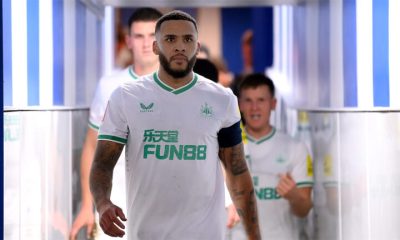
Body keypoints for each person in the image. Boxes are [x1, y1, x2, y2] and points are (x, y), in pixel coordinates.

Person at [89, 10, 261, 239]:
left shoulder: (222, 99)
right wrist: (102, 204)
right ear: (156, 47)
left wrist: (254, 236)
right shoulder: (126, 97)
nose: (180, 46)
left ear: (197, 48)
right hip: (146, 233)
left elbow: (237, 171)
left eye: (187, 39)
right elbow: (102, 164)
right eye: (170, 39)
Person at [69, 8, 163, 240]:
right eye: (139, 36)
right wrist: (88, 205)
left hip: (166, 208)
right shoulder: (109, 86)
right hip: (116, 208)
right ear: (128, 41)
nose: (145, 44)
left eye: (152, 36)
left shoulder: (182, 88)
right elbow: (92, 147)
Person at [228, 73, 313, 240]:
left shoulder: (295, 147)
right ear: (240, 105)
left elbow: (304, 210)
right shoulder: (225, 148)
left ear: (273, 104)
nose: (255, 108)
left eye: (261, 100)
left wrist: (294, 195)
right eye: (248, 101)